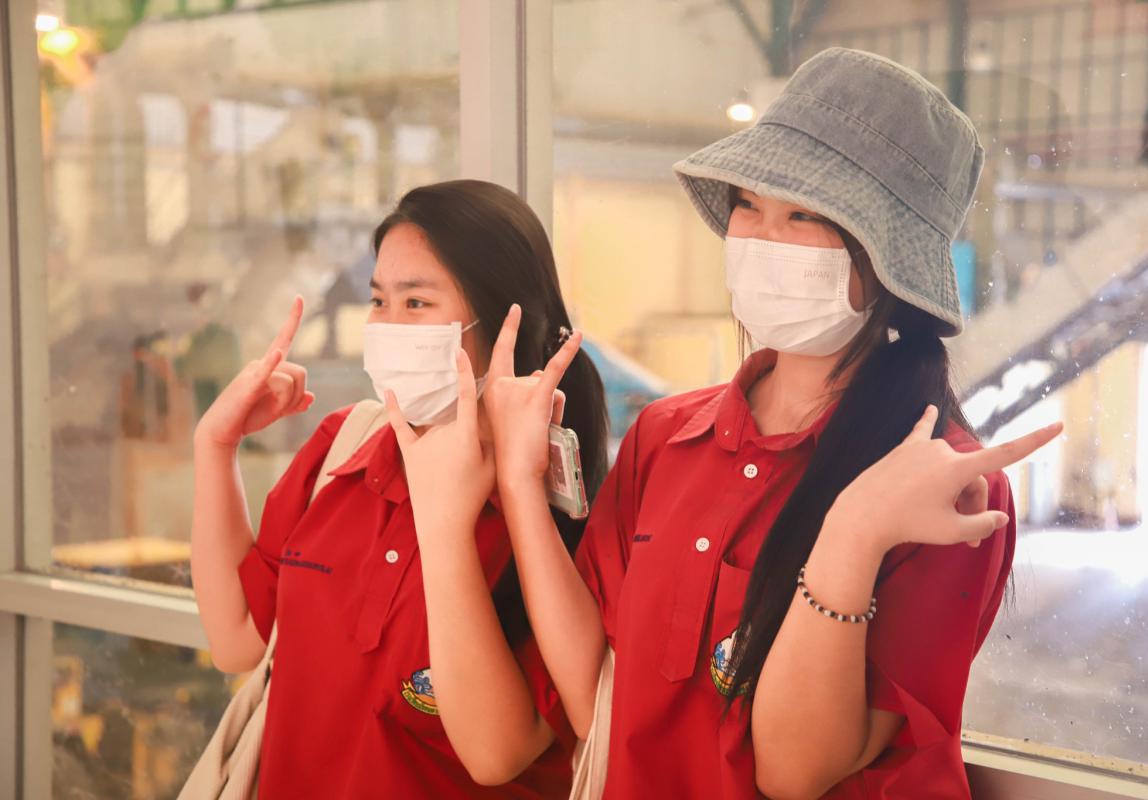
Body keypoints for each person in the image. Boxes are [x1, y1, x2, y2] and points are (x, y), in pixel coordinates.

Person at [490, 48, 1063, 798]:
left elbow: (798, 771)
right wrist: (520, 483)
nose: (762, 238)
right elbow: (592, 688)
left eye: (804, 215)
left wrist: (853, 532)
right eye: (748, 206)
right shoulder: (666, 435)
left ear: (888, 260)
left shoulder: (945, 482)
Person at [189, 179, 607, 798]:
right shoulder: (343, 448)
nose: (386, 325)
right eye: (378, 300)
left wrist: (445, 523)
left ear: (506, 325)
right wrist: (215, 444)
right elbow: (236, 640)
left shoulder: (541, 508)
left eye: (416, 303)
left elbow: (496, 755)